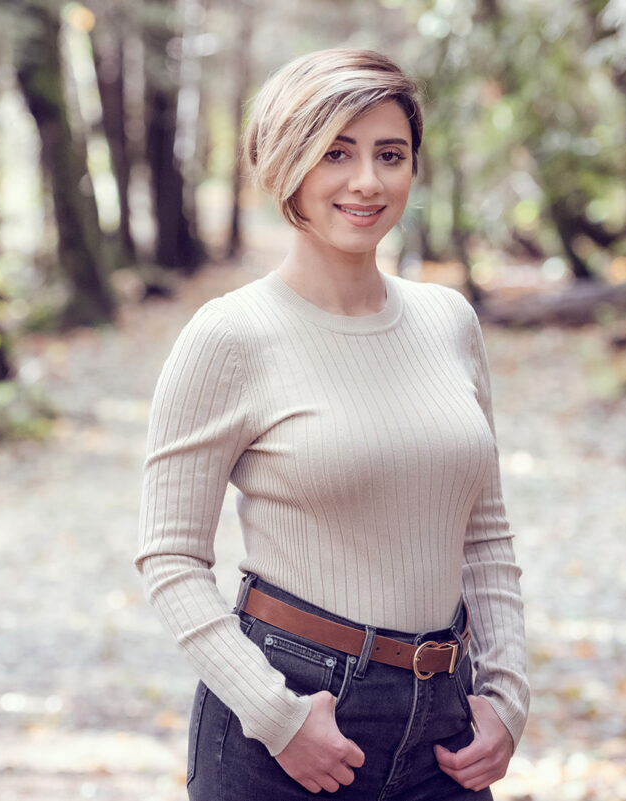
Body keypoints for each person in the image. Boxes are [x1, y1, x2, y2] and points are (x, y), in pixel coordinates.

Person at [135, 48, 529, 800]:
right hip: (291, 713)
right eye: (335, 153)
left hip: (446, 725)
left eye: (391, 154)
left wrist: (508, 699)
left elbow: (484, 534)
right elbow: (170, 559)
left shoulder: (449, 321)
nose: (367, 181)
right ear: (289, 165)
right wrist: (276, 717)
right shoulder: (230, 336)